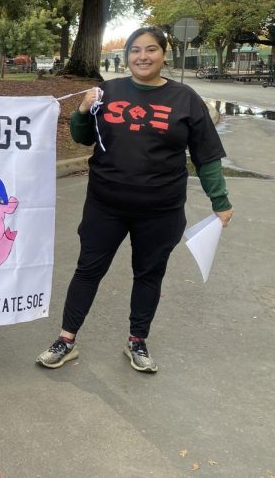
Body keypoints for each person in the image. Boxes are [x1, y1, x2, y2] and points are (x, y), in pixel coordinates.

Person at [36, 26, 233, 373]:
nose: (143, 56)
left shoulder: (185, 99)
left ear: (164, 54)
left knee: (149, 274)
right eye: (135, 50)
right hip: (105, 205)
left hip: (161, 210)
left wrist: (220, 201)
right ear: (126, 56)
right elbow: (84, 138)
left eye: (151, 49)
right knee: (87, 270)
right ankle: (66, 340)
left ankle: (137, 341)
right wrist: (83, 110)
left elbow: (206, 156)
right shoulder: (107, 91)